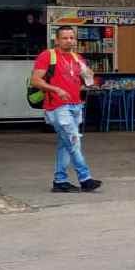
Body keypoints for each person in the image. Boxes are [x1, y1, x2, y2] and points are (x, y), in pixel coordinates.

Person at [29, 26, 102, 193]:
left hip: (76, 105)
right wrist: (56, 89)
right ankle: (85, 178)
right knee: (73, 140)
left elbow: (88, 81)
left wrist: (88, 74)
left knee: (66, 143)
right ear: (57, 40)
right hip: (57, 106)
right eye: (65, 38)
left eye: (72, 38)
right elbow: (35, 80)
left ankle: (60, 181)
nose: (69, 41)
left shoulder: (78, 58)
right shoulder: (48, 55)